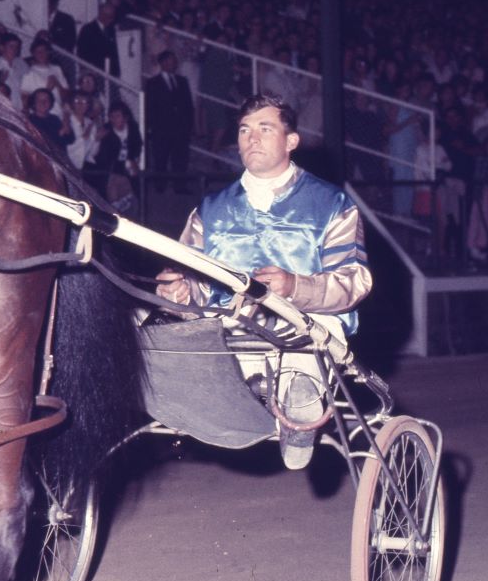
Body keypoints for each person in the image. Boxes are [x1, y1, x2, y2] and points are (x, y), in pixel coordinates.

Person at [156, 94, 373, 469]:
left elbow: (354, 280)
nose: (251, 138)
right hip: (230, 332)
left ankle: (301, 403)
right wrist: (179, 290)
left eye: (265, 128)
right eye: (244, 130)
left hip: (304, 329)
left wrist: (296, 287)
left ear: (291, 141)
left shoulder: (332, 203)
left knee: (305, 350)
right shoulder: (211, 209)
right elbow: (192, 280)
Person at [143, 49, 194, 192]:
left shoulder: (182, 81)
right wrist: (151, 126)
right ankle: (160, 186)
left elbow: (188, 105)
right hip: (162, 128)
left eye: (174, 60)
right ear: (163, 63)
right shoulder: (153, 83)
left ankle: (180, 186)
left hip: (180, 128)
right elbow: (150, 106)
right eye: (171, 60)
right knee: (161, 158)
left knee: (180, 158)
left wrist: (189, 125)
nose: (174, 63)